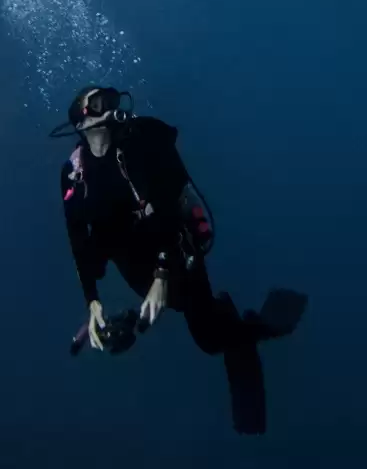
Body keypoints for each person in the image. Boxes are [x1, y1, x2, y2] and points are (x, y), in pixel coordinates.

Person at [58, 85, 306, 435]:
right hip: (132, 263)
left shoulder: (138, 147)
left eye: (112, 98)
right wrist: (92, 301)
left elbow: (169, 213)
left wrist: (162, 275)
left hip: (174, 251)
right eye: (99, 103)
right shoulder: (73, 173)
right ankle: (212, 318)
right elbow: (78, 240)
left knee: (207, 337)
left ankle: (253, 327)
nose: (111, 106)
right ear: (80, 120)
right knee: (165, 314)